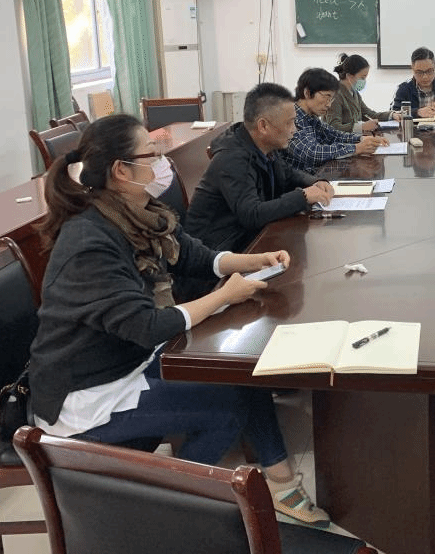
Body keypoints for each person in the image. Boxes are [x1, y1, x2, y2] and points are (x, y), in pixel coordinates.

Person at [29, 114, 330, 527]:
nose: (162, 164)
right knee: (226, 409)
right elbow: (148, 326)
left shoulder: (134, 212)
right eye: (151, 156)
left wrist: (251, 261)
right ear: (121, 170)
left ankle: (279, 483)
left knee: (237, 371)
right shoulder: (89, 241)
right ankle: (173, 508)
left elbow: (191, 254)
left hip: (128, 361)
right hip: (88, 396)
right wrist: (223, 296)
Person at [186, 83, 335, 254]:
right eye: (289, 123)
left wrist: (317, 182)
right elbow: (252, 214)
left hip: (247, 239)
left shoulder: (264, 146)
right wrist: (302, 197)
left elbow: (288, 174)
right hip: (215, 253)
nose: (294, 130)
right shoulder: (232, 158)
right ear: (263, 126)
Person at [285, 68, 388, 173]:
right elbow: (312, 153)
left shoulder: (311, 117)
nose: (329, 105)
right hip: (302, 180)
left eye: (331, 99)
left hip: (317, 175)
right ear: (307, 93)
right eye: (327, 97)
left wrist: (362, 138)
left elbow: (333, 135)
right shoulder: (291, 118)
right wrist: (356, 148)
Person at [326, 53, 393, 134]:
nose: (364, 81)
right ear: (349, 76)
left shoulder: (354, 92)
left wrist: (391, 115)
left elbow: (368, 114)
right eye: (362, 77)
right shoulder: (335, 94)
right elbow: (333, 126)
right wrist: (361, 127)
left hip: (355, 138)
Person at [390, 46, 435, 119]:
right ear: (412, 68)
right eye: (419, 72)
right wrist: (417, 112)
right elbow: (392, 114)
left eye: (429, 71)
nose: (425, 77)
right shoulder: (404, 88)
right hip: (413, 127)